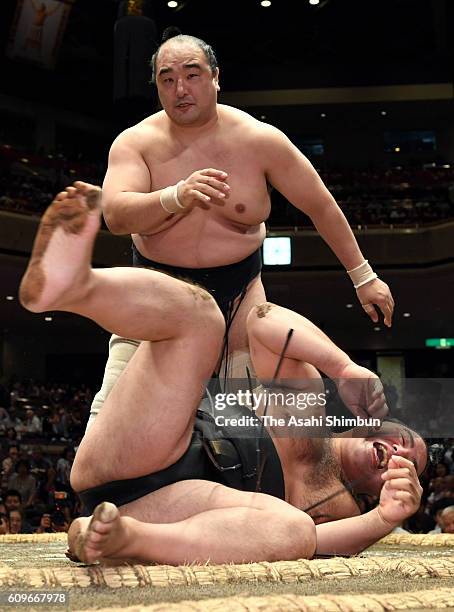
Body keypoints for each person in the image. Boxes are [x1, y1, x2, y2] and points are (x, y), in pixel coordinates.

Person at [19, 183, 424, 565]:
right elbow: (263, 321)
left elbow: (318, 547)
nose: (401, 454)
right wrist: (343, 367)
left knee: (297, 531)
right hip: (144, 445)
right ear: (375, 424)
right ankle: (73, 287)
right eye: (404, 439)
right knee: (203, 313)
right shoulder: (307, 401)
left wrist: (386, 518)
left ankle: (125, 540)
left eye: (412, 466)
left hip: (171, 512)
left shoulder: (343, 510)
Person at [70, 31, 395, 417]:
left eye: (192, 75)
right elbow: (117, 215)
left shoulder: (260, 141)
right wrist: (175, 196)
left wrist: (363, 276)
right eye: (167, 79)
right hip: (155, 295)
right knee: (109, 423)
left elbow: (320, 205)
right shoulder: (135, 143)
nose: (180, 89)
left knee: (250, 433)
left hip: (239, 299)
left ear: (216, 77)